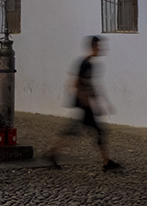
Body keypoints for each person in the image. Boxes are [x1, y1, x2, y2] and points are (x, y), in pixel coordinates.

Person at [47, 35, 122, 171]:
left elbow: (91, 86)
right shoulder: (85, 64)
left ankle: (53, 152)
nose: (101, 49)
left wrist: (100, 102)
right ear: (93, 47)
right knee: (98, 131)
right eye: (99, 47)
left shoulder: (90, 64)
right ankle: (106, 162)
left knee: (74, 130)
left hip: (85, 105)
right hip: (84, 105)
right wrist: (86, 101)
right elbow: (75, 83)